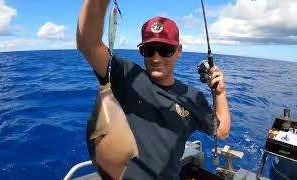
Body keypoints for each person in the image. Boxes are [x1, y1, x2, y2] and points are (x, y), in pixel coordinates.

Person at [77, 0, 231, 179]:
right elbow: (88, 43)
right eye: (149, 50)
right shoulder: (127, 76)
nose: (156, 58)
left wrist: (220, 94)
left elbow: (221, 131)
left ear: (179, 50)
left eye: (165, 50)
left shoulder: (192, 97)